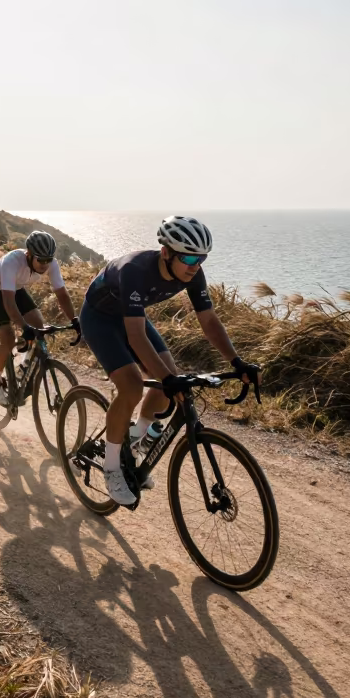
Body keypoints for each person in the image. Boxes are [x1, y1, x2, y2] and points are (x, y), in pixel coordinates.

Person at [79, 215, 260, 506]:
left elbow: (209, 321)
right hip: (99, 318)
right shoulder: (135, 270)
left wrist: (237, 362)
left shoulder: (193, 273)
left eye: (201, 258)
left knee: (167, 382)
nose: (195, 265)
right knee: (132, 386)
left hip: (132, 317)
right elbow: (136, 337)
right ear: (166, 252)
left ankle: (134, 441)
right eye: (188, 257)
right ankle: (111, 467)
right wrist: (166, 378)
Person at [0, 230, 80, 405]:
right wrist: (23, 327)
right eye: (40, 260)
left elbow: (61, 294)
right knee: (8, 339)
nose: (45, 264)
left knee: (38, 325)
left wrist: (74, 319)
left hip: (16, 289)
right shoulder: (12, 262)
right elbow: (8, 302)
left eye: (48, 259)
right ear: (29, 254)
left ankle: (23, 367)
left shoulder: (50, 263)